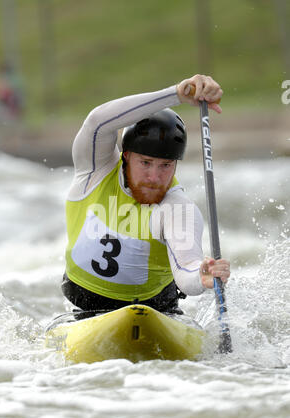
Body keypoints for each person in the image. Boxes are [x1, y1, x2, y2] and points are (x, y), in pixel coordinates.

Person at [62, 74, 230, 316]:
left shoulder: (178, 209)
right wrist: (176, 95)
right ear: (126, 156)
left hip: (153, 312)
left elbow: (187, 270)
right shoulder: (94, 171)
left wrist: (203, 276)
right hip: (83, 305)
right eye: (146, 162)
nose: (154, 177)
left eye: (165, 165)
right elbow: (98, 121)